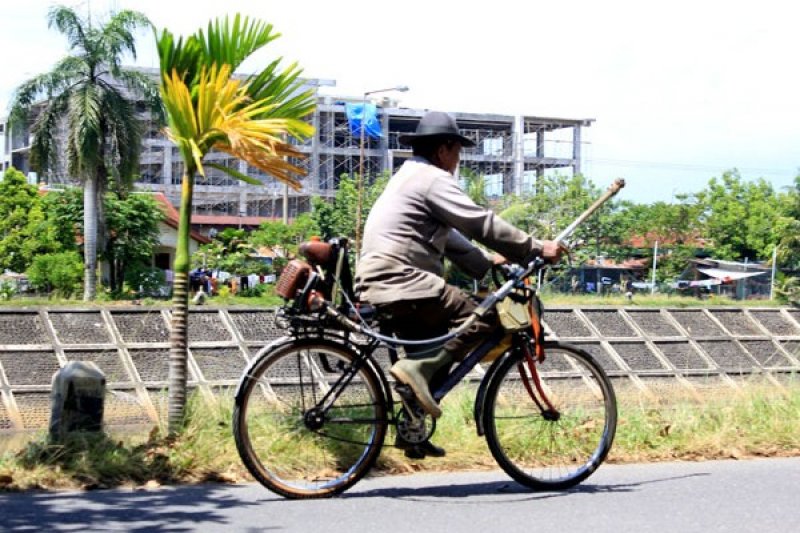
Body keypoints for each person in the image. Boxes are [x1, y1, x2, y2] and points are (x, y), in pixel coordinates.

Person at [355, 111, 564, 457]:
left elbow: (450, 238)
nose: (458, 161)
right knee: (486, 317)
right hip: (402, 282)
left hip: (387, 283)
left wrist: (487, 262)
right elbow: (478, 222)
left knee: (438, 350)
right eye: (457, 152)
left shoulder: (407, 178)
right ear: (444, 149)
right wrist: (536, 247)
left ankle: (411, 428)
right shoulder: (431, 179)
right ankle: (417, 370)